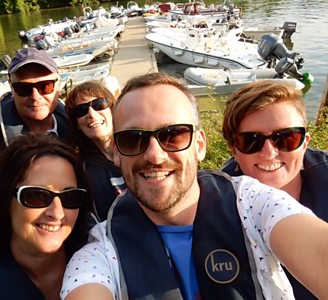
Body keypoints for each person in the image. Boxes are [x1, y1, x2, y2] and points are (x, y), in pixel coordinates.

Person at [60, 73, 328, 300]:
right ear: (117, 153)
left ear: (199, 145)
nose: (155, 155)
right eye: (133, 139)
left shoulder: (252, 205)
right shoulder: (103, 251)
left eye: (173, 134)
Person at [0, 47, 72, 255]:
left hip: (70, 250)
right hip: (8, 257)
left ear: (58, 87)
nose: (35, 96)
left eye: (45, 86)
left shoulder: (74, 127)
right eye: (24, 89)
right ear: (11, 89)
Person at [0, 133, 91, 299]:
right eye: (37, 195)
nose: (57, 213)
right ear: (6, 200)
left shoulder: (106, 261)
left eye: (70, 197)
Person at [221, 80, 328, 299]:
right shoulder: (216, 204)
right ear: (234, 149)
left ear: (305, 142)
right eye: (251, 141)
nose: (269, 153)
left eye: (286, 138)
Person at [65, 81, 126, 221]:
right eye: (81, 111)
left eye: (98, 105)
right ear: (77, 125)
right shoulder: (82, 170)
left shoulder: (140, 146)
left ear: (111, 109)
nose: (91, 114)